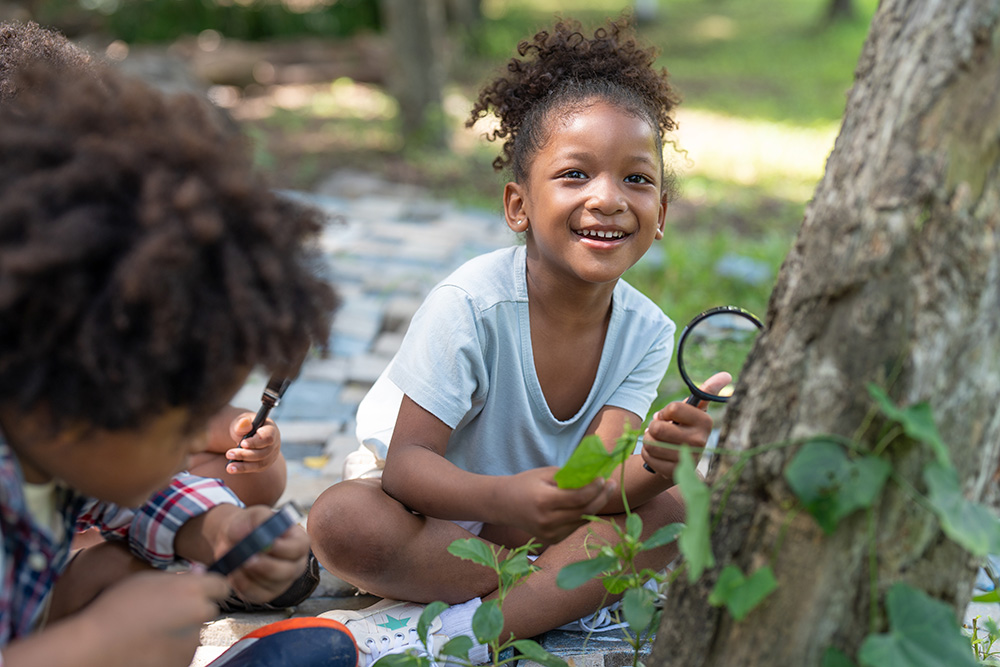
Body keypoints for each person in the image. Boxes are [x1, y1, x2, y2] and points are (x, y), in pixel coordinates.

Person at [308, 17, 728, 666]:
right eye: (575, 175)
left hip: (541, 517)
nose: (609, 198)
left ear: (663, 214)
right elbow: (407, 467)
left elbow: (599, 486)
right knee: (340, 520)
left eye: (637, 180)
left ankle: (469, 631)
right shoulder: (471, 303)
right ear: (517, 206)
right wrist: (506, 497)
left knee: (674, 509)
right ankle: (542, 593)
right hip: (431, 510)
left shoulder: (646, 331)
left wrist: (657, 463)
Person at [0, 54, 338, 666]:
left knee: (140, 590)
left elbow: (146, 496)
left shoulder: (56, 442)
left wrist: (224, 533)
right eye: (181, 426)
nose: (192, 442)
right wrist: (87, 647)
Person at [0, 20, 290, 510]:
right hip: (59, 466)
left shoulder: (109, 252)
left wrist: (231, 430)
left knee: (254, 475)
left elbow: (148, 395)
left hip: (93, 463)